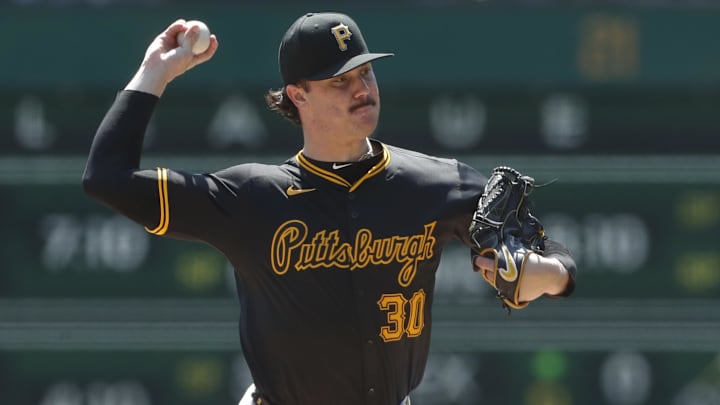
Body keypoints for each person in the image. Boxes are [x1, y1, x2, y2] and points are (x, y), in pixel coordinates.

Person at [82, 12, 576, 405]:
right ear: (298, 96)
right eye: (340, 80)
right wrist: (155, 72)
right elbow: (107, 179)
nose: (362, 87)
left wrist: (548, 274)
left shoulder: (435, 183)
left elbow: (553, 257)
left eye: (365, 71)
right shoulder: (251, 197)